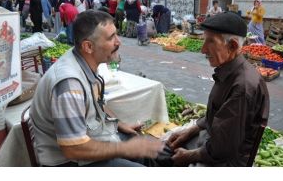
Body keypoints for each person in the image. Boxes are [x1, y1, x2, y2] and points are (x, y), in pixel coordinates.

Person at [30, 10, 163, 167]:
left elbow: (97, 102)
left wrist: (119, 123)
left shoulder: (85, 61)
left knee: (146, 150)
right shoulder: (69, 85)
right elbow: (73, 148)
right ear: (88, 46)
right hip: (69, 162)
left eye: (116, 35)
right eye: (111, 38)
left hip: (89, 140)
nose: (118, 42)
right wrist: (125, 149)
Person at [159, 12, 269, 167]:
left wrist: (189, 155)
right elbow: (216, 115)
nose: (203, 50)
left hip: (224, 162)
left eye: (210, 42)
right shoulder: (229, 71)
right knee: (160, 149)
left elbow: (223, 149)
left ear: (232, 46)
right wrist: (191, 130)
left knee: (162, 157)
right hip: (212, 142)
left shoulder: (242, 87)